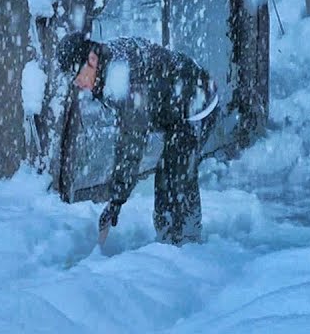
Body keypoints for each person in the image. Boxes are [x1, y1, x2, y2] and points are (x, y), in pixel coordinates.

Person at [55, 31, 219, 245]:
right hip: (178, 107)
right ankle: (169, 240)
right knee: (167, 178)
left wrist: (116, 200)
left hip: (198, 102)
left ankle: (187, 243)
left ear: (91, 60)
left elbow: (131, 142)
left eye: (77, 76)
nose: (78, 84)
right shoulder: (106, 61)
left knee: (178, 175)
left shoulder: (123, 80)